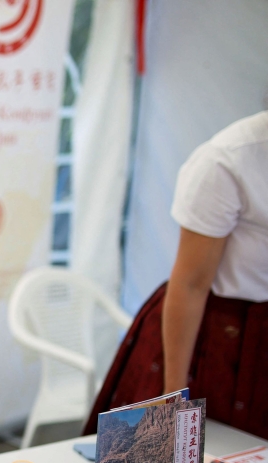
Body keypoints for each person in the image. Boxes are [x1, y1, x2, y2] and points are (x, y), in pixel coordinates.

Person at [84, 110, 268, 438]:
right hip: (208, 331)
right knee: (173, 460)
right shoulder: (228, 160)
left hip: (259, 335)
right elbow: (190, 284)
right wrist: (172, 397)